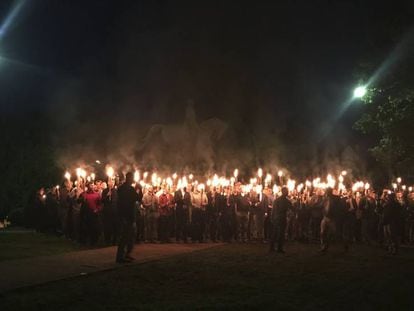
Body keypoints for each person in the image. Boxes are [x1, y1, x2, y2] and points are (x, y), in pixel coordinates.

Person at [116, 172, 139, 263]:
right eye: (132, 178)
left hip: (130, 215)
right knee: (125, 236)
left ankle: (127, 254)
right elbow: (121, 203)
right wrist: (122, 217)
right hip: (126, 215)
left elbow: (137, 198)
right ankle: (120, 257)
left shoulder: (130, 189)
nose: (133, 179)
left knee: (131, 236)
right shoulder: (124, 189)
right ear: (128, 178)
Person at [269, 187, 292, 253]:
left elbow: (273, 210)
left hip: (277, 218)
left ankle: (273, 247)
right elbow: (291, 207)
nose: (288, 192)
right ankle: (278, 247)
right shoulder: (285, 201)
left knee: (276, 233)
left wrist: (272, 217)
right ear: (283, 192)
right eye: (287, 191)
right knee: (280, 233)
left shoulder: (278, 200)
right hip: (281, 218)